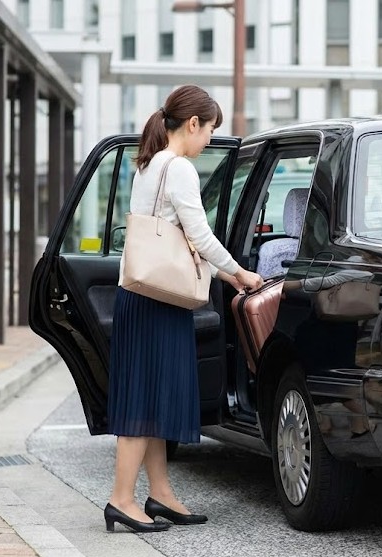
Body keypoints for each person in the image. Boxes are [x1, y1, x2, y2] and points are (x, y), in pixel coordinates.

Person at [104, 85, 263, 533]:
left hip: (142, 295)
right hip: (159, 300)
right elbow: (200, 236)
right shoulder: (178, 168)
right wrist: (239, 274)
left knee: (151, 398)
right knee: (142, 399)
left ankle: (160, 493)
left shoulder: (149, 163)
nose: (210, 139)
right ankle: (121, 499)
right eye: (210, 129)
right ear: (192, 124)